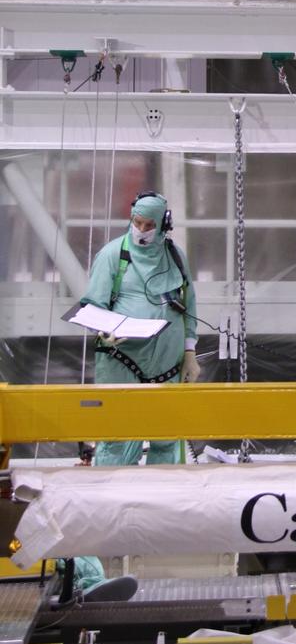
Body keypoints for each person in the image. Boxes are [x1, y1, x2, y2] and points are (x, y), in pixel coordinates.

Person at [82, 191, 200, 466]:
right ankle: (111, 497)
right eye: (138, 223)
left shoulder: (175, 257)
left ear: (163, 225)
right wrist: (104, 331)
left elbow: (189, 304)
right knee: (116, 435)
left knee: (166, 436)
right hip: (120, 359)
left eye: (150, 225)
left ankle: (163, 498)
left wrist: (190, 353)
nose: (142, 231)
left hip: (167, 362)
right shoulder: (113, 254)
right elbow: (92, 305)